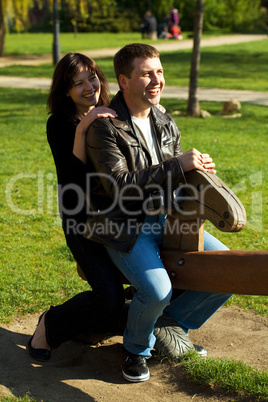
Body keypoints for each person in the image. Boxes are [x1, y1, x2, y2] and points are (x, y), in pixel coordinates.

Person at [84, 43, 231, 383]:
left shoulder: (165, 120)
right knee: (156, 290)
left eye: (159, 71)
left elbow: (177, 178)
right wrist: (176, 165)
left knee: (224, 269)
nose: (156, 80)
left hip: (168, 219)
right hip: (123, 225)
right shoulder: (105, 126)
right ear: (124, 80)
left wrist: (197, 170)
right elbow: (118, 186)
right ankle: (136, 348)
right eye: (146, 73)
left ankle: (169, 323)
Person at [28, 52, 126, 360]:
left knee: (140, 288)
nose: (89, 87)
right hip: (81, 220)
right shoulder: (59, 124)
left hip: (120, 218)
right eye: (77, 83)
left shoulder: (114, 113)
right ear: (65, 91)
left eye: (92, 77)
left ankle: (89, 328)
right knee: (109, 297)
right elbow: (72, 180)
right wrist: (84, 127)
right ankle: (50, 324)